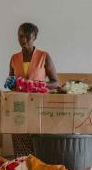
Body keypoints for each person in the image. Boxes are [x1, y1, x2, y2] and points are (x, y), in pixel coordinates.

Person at [6, 22, 59, 158]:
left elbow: (56, 82)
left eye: (27, 36)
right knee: (19, 139)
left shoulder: (44, 56)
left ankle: (38, 169)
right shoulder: (14, 58)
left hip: (39, 106)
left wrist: (37, 86)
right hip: (19, 106)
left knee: (38, 140)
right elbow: (12, 83)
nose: (23, 39)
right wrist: (10, 83)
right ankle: (21, 168)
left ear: (34, 36)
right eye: (20, 36)